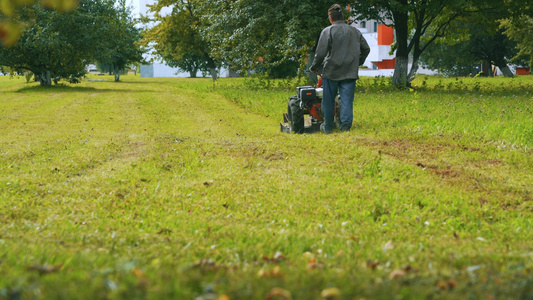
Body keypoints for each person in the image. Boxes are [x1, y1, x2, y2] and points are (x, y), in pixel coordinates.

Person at [310, 4, 370, 134]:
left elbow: (320, 54)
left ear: (331, 18)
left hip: (331, 72)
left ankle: (328, 127)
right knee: (347, 100)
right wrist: (358, 62)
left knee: (328, 100)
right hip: (349, 72)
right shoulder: (355, 31)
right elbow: (366, 49)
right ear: (342, 17)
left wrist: (314, 67)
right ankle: (345, 128)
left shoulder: (327, 31)